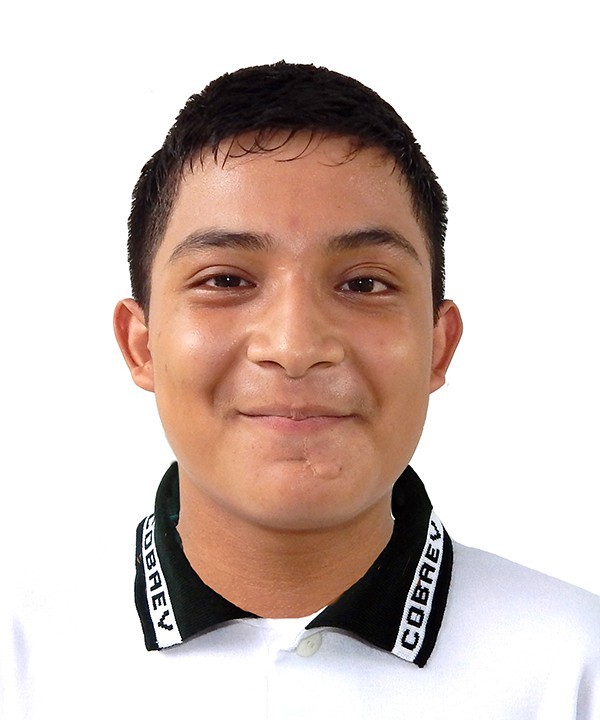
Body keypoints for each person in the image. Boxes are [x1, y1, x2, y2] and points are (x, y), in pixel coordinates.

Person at [3, 61, 596, 719]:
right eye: (226, 280)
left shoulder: (576, 664)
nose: (294, 346)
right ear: (140, 344)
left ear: (438, 345)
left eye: (364, 284)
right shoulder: (21, 659)